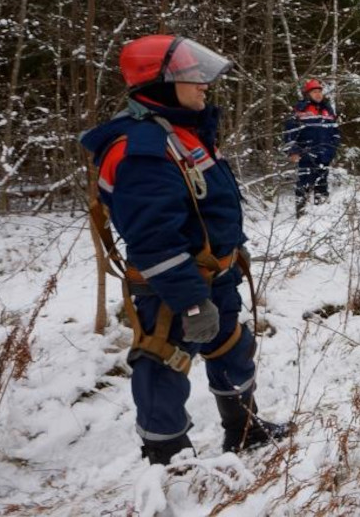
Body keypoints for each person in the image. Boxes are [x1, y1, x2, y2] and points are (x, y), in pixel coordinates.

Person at [80, 35, 290, 465]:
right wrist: (192, 301)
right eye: (192, 77)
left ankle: (243, 429)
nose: (204, 86)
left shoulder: (181, 134)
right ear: (159, 84)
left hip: (217, 275)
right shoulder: (144, 149)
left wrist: (232, 255)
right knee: (164, 363)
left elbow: (203, 207)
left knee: (232, 345)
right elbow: (154, 240)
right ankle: (168, 459)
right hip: (175, 288)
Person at [284, 78, 340, 217]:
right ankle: (301, 213)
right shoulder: (300, 109)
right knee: (304, 184)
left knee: (322, 184)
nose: (318, 94)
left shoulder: (328, 110)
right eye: (314, 92)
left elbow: (336, 131)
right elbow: (290, 133)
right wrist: (293, 151)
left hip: (325, 154)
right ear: (308, 94)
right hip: (306, 153)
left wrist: (333, 148)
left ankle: (320, 215)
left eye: (319, 91)